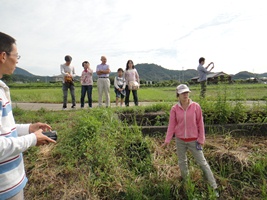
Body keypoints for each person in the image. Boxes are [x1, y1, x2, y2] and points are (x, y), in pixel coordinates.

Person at [0, 32, 56, 200]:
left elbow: (4, 130)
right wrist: (32, 139)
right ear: (3, 56)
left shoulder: (2, 88)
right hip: (4, 186)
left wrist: (28, 128)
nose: (17, 60)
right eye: (16, 56)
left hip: (11, 182)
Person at [161, 84, 218, 196]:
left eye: (186, 92)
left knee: (202, 163)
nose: (185, 95)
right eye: (183, 93)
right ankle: (187, 185)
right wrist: (167, 140)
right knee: (182, 163)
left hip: (194, 140)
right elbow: (171, 125)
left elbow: (200, 124)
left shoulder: (196, 107)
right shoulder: (175, 109)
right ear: (178, 95)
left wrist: (201, 139)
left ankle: (213, 186)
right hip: (180, 140)